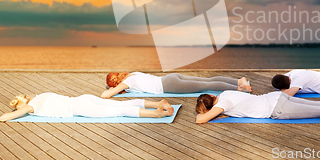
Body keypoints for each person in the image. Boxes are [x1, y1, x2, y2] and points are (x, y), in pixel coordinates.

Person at [194, 90, 320, 123]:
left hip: (277, 109)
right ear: (212, 96)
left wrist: (204, 113)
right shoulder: (224, 94)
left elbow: (201, 120)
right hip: (276, 97)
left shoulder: (223, 104)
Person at [0, 93, 174, 122]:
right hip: (83, 99)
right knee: (121, 104)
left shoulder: (32, 106)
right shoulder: (42, 95)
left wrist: (15, 110)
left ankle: (156, 115)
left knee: (119, 111)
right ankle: (157, 104)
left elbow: (4, 117)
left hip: (81, 108)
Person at [102, 72, 252, 98]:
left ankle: (239, 88)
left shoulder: (126, 83)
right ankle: (239, 81)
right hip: (170, 77)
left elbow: (106, 95)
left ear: (115, 83)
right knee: (207, 80)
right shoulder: (132, 74)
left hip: (169, 85)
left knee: (207, 86)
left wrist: (111, 89)